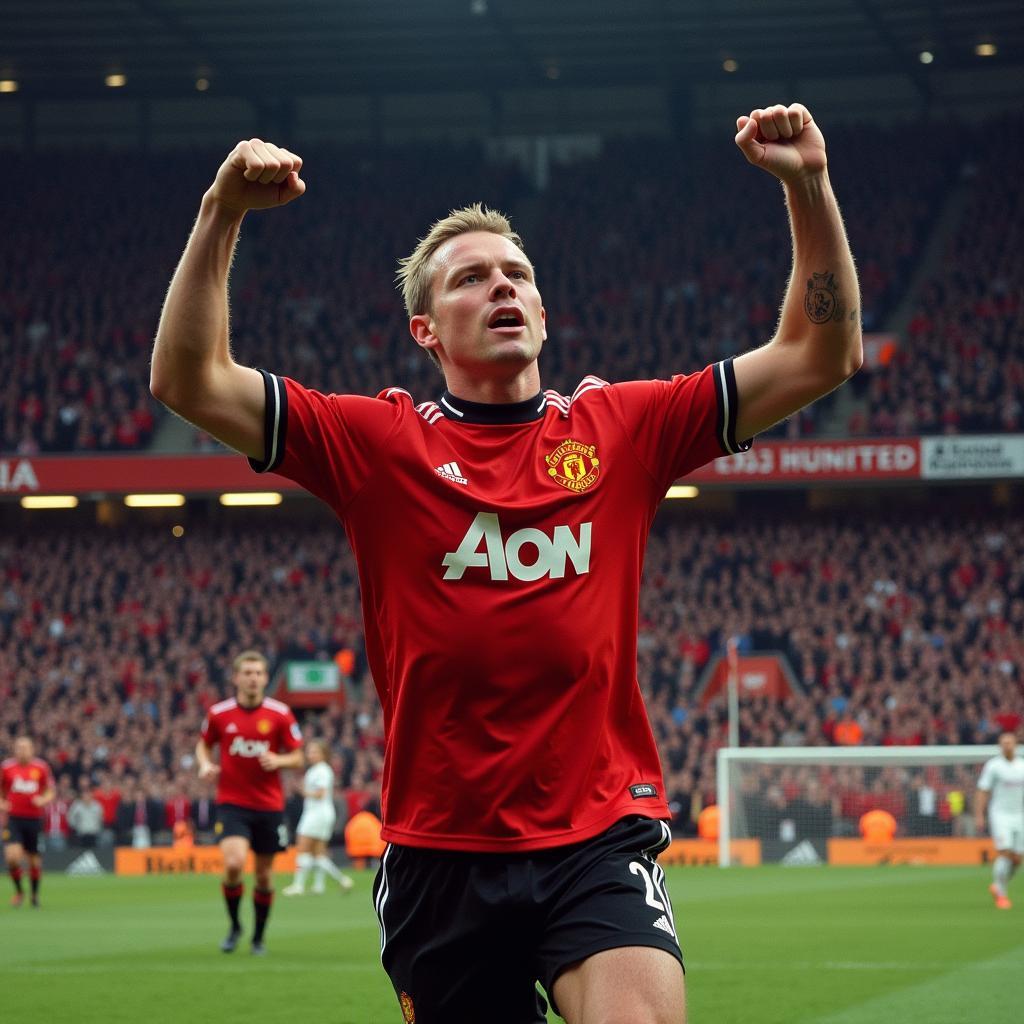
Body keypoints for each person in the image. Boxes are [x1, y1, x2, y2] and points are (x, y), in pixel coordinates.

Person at [151, 104, 861, 1022]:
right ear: (426, 332)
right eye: (472, 278)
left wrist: (808, 186)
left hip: (597, 840)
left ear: (544, 313)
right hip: (439, 857)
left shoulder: (623, 429)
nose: (503, 288)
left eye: (518, 274)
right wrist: (220, 214)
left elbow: (821, 353)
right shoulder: (378, 443)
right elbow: (188, 379)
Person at [196, 650, 304, 955]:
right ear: (236, 677)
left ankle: (258, 937)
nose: (253, 678)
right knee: (233, 865)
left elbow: (298, 755)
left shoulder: (280, 714)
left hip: (270, 806)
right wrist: (204, 765)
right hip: (232, 803)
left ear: (266, 678)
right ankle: (234, 927)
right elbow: (203, 746)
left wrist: (279, 759)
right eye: (247, 673)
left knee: (264, 875)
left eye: (258, 673)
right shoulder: (219, 714)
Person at [283, 739, 354, 895]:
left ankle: (298, 885)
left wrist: (301, 791)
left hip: (316, 813)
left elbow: (320, 794)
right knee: (318, 853)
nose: (310, 754)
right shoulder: (317, 770)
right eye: (309, 751)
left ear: (323, 754)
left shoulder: (322, 770)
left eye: (315, 751)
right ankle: (325, 884)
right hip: (321, 813)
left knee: (303, 848)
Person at [1, 736, 55, 907]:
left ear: (32, 749)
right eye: (19, 747)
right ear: (14, 750)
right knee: (12, 857)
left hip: (35, 820)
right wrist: (2, 803)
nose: (22, 750)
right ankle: (19, 892)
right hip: (14, 819)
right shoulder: (6, 768)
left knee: (34, 861)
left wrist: (43, 800)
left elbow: (50, 791)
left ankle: (34, 895)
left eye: (25, 747)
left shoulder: (41, 767)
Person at [975, 731, 1024, 910]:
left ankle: (997, 885)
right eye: (1003, 743)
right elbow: (983, 790)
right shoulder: (994, 766)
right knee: (1005, 852)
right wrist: (979, 815)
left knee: (1017, 859)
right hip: (1000, 815)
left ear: (1015, 744)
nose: (1006, 746)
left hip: (1020, 815)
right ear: (1000, 746)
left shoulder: (1022, 766)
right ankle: (1001, 894)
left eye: (1009, 742)